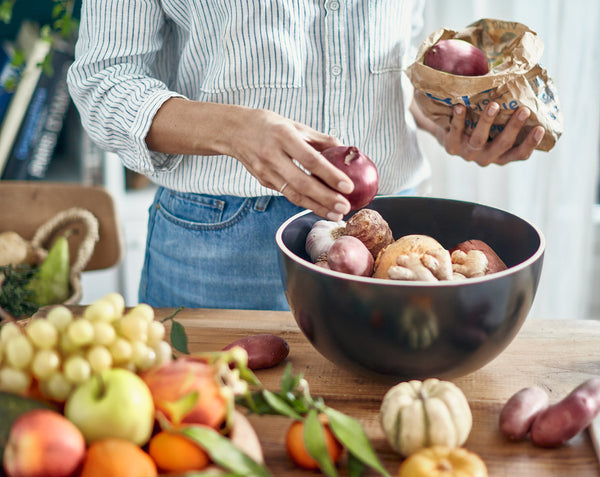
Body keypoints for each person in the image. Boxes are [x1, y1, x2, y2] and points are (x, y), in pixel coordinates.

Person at [67, 0, 544, 310]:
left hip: (392, 240)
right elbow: (103, 81)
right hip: (219, 251)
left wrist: (451, 121)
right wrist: (234, 130)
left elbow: (397, 68)